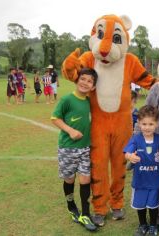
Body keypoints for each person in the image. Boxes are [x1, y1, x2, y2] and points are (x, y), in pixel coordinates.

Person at [51, 68, 98, 232]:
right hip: (68, 149)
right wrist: (70, 130)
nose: (85, 82)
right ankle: (71, 206)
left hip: (85, 148)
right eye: (83, 79)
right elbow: (55, 118)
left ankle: (85, 214)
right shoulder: (67, 99)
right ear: (77, 80)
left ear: (93, 87)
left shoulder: (88, 101)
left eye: (90, 81)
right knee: (69, 179)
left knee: (85, 180)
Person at [123, 105, 159, 236]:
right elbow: (127, 152)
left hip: (154, 181)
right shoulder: (136, 138)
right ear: (139, 123)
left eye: (151, 124)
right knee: (140, 205)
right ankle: (142, 225)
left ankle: (153, 226)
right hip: (140, 181)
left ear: (156, 124)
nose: (147, 127)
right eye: (144, 124)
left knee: (153, 205)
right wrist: (130, 156)